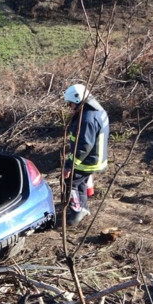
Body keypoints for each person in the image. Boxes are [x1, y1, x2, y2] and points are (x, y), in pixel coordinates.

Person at [62, 83, 109, 226]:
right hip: (96, 158)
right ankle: (84, 208)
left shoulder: (87, 119)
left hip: (88, 160)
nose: (69, 107)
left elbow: (83, 146)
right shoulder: (97, 112)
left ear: (77, 101)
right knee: (81, 181)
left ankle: (77, 211)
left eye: (70, 104)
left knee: (71, 182)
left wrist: (69, 165)